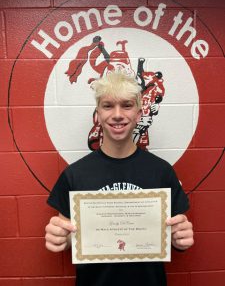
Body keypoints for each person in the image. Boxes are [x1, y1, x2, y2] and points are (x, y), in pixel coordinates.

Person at [45, 71, 194, 286]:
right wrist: (60, 237)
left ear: (138, 113)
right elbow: (68, 235)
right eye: (108, 106)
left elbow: (176, 236)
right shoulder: (75, 175)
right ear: (98, 113)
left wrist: (180, 239)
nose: (117, 114)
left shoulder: (162, 172)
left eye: (126, 105)